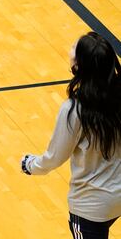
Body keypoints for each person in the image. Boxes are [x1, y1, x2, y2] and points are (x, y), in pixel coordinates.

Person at [22, 32, 120, 239]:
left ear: (79, 66)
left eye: (75, 48)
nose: (71, 48)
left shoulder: (74, 109)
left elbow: (55, 157)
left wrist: (30, 165)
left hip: (91, 205)